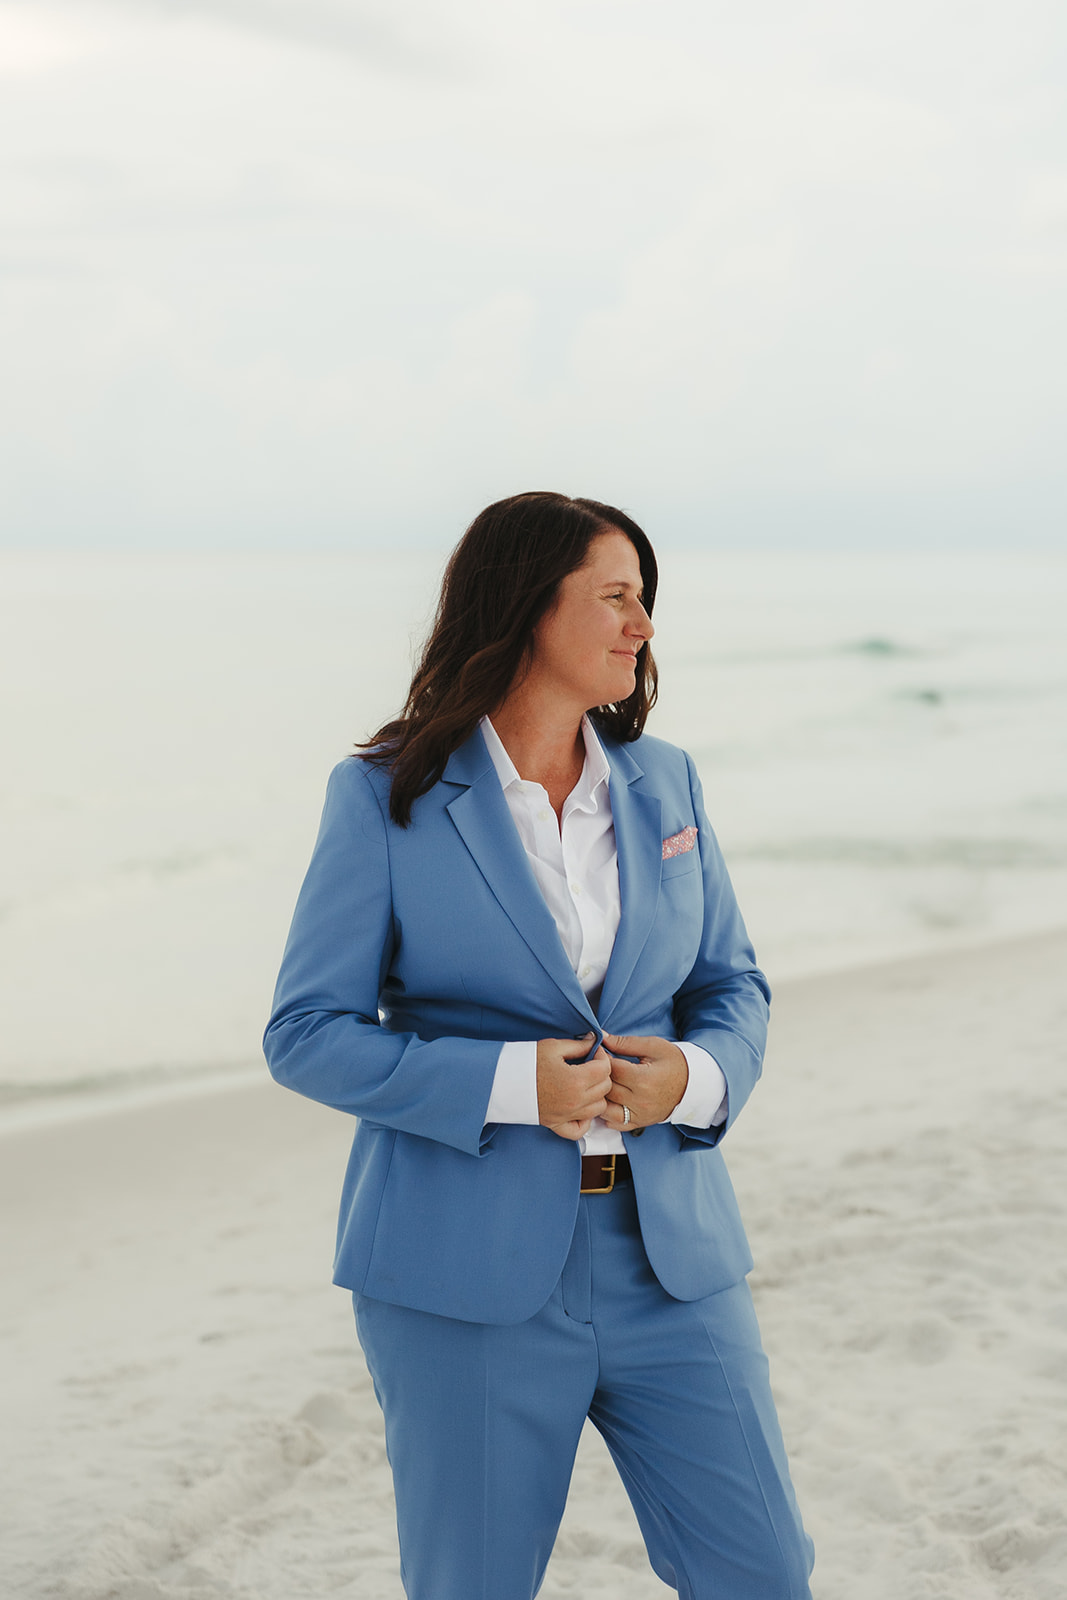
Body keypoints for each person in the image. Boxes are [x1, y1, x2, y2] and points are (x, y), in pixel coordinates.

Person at [264, 491, 814, 1600]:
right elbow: (304, 1034)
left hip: (673, 1264)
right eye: (615, 596)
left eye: (644, 600)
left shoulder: (666, 782)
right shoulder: (385, 795)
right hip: (459, 1276)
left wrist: (695, 1079)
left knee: (762, 1574)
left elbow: (729, 984)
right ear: (526, 607)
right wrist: (514, 1084)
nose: (640, 624)